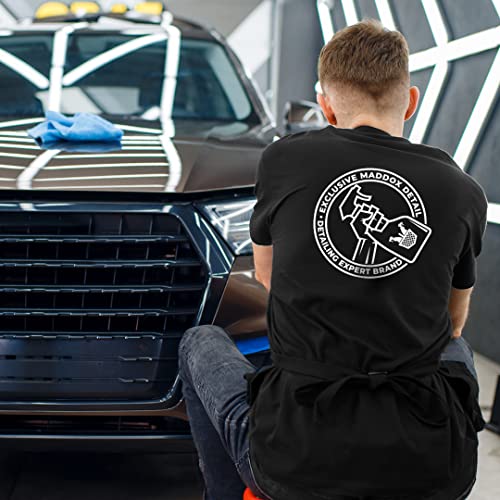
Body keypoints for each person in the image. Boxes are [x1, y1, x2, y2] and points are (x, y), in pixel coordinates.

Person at [178, 19, 488, 500]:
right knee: (457, 350)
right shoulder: (462, 191)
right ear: (410, 101)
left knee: (200, 341)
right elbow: (452, 323)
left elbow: (269, 278)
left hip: (294, 461)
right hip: (430, 469)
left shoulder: (283, 160)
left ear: (324, 105)